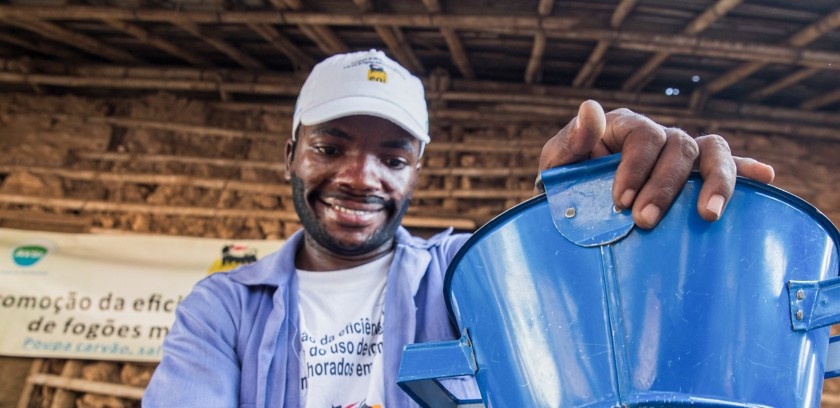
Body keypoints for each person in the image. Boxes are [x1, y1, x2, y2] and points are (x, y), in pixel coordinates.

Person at [142, 49, 775, 407]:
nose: (361, 177)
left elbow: (587, 313)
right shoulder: (224, 308)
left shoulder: (466, 273)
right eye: (330, 147)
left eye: (392, 158)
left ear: (417, 170)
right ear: (291, 156)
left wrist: (600, 200)